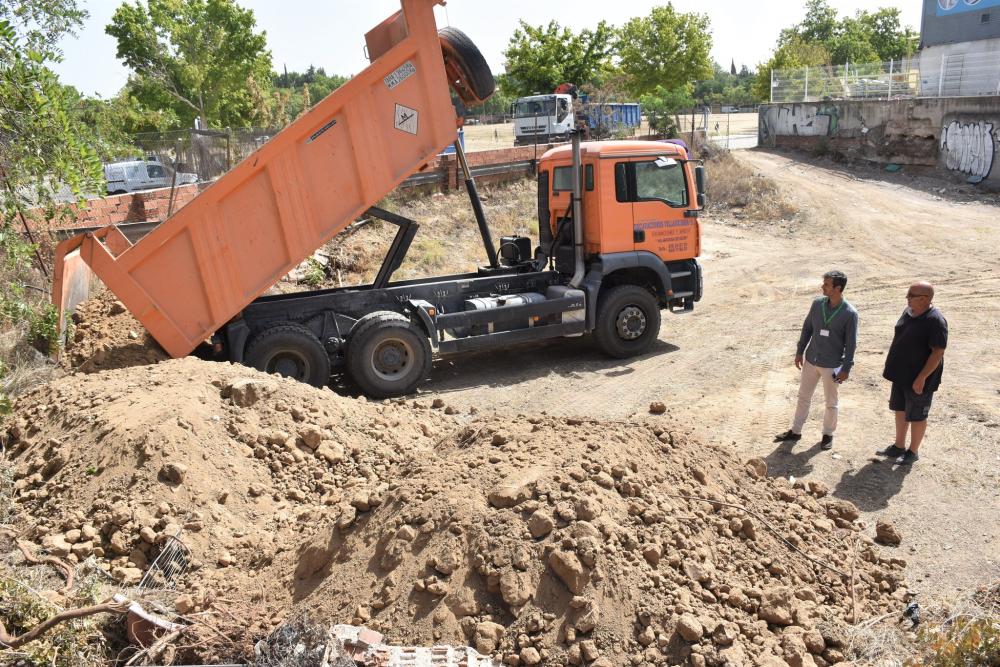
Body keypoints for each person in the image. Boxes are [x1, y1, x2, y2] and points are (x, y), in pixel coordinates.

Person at [774, 270, 859, 450]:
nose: (822, 286)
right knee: (803, 396)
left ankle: (828, 434)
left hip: (832, 365)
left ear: (838, 288)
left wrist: (846, 368)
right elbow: (807, 328)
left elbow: (851, 344)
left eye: (827, 284)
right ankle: (796, 431)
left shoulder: (850, 313)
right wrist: (800, 351)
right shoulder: (817, 304)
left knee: (831, 402)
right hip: (811, 360)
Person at [877, 281, 947, 465]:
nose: (907, 298)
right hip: (901, 375)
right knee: (900, 409)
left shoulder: (935, 321)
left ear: (924, 299)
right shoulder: (909, 312)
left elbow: (938, 352)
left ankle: (913, 451)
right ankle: (898, 446)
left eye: (911, 295)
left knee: (917, 415)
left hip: (919, 378)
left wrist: (922, 377)